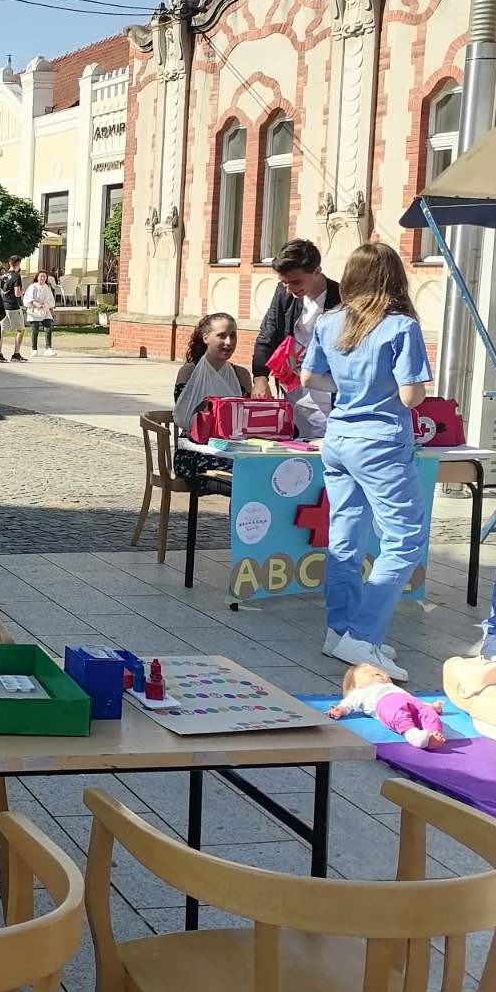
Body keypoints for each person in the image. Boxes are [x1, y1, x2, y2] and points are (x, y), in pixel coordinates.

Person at [300, 242, 430, 679]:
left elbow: (310, 378)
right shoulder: (400, 327)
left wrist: (350, 385)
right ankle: (363, 634)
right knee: (405, 540)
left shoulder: (329, 321)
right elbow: (413, 396)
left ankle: (340, 633)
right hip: (381, 442)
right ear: (395, 279)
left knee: (346, 537)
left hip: (338, 437)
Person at [252, 239, 341, 439]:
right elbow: (268, 333)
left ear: (317, 271)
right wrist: (260, 378)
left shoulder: (341, 298)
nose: (290, 288)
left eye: (296, 282)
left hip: (327, 389)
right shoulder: (284, 294)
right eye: (285, 282)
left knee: (324, 441)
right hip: (291, 387)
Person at [171, 314, 252, 487]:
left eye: (233, 335)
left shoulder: (242, 376)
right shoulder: (189, 373)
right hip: (195, 450)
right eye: (222, 336)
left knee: (256, 471)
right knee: (239, 479)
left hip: (232, 449)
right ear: (206, 337)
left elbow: (245, 420)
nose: (229, 342)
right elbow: (185, 419)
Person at [327, 661, 445, 750]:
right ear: (355, 686)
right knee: (398, 715)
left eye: (378, 670)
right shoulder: (361, 691)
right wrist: (341, 709)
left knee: (428, 714)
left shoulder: (393, 687)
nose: (376, 672)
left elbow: (415, 702)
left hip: (409, 701)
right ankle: (412, 735)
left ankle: (433, 733)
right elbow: (349, 702)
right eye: (367, 673)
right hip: (384, 703)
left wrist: (430, 706)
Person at [0, 256, 27, 362]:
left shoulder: (3, 276)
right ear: (18, 263)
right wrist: (22, 291)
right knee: (21, 329)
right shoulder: (16, 276)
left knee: (2, 330)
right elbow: (17, 293)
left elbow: (2, 290)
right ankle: (16, 353)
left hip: (3, 305)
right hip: (13, 306)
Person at [24, 270, 58, 357]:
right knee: (35, 330)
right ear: (37, 277)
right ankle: (34, 349)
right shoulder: (33, 287)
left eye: (44, 277)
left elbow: (50, 300)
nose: (42, 278)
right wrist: (38, 305)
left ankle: (48, 348)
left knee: (48, 329)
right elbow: (29, 299)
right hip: (35, 311)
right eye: (41, 276)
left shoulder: (47, 287)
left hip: (45, 311)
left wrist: (51, 311)